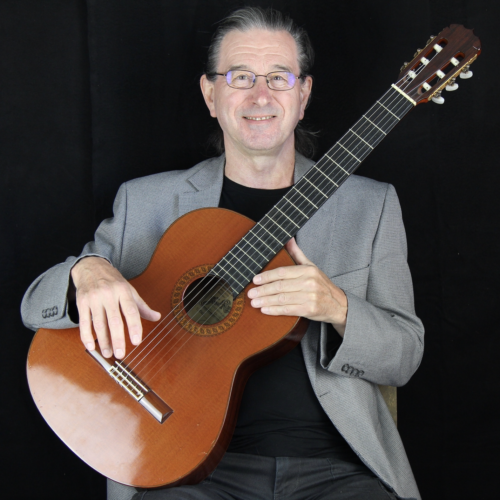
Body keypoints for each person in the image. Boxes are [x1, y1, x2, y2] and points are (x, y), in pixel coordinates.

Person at [21, 7, 424, 500]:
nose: (261, 95)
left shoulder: (370, 206)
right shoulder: (147, 201)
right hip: (187, 473)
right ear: (211, 94)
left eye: (279, 77)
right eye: (240, 77)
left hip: (335, 471)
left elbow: (404, 356)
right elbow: (34, 307)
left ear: (303, 95)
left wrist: (337, 307)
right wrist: (86, 272)